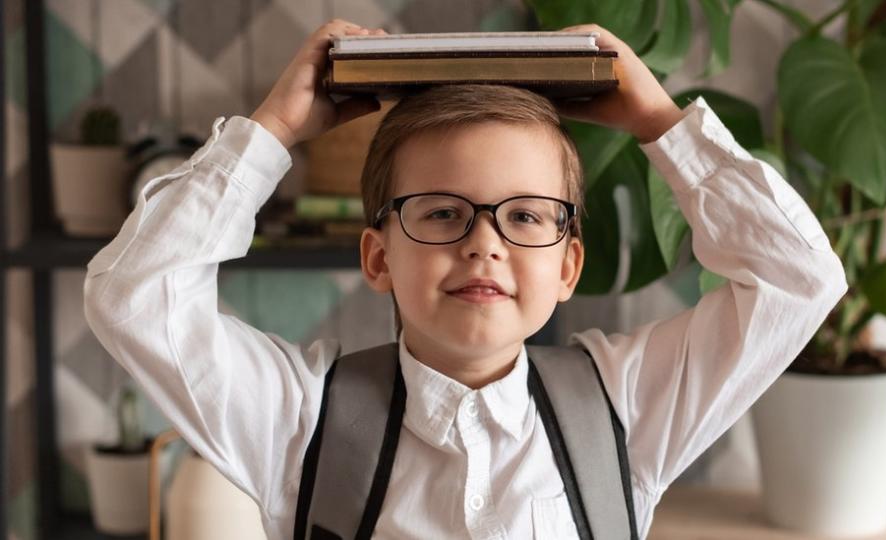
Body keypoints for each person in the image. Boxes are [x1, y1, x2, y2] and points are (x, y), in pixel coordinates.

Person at [84, 18, 847, 540]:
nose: (485, 244)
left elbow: (799, 280)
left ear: (568, 264)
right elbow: (133, 297)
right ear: (378, 257)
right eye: (443, 214)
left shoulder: (627, 408)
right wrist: (272, 132)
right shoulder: (299, 420)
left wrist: (660, 121)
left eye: (524, 217)